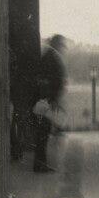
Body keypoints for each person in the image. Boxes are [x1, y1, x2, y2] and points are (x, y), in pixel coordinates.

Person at [32, 34, 67, 172]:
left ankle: (40, 164)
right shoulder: (52, 57)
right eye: (62, 45)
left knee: (42, 133)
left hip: (44, 100)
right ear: (57, 44)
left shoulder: (47, 56)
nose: (63, 48)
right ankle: (40, 165)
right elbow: (55, 80)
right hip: (46, 101)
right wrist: (53, 98)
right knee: (43, 133)